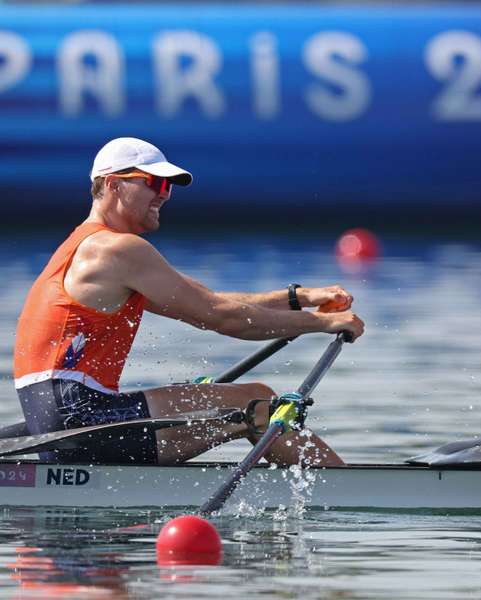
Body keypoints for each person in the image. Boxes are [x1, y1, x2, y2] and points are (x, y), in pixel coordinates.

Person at [13, 137, 365, 466]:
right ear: (112, 185)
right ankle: (352, 493)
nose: (164, 195)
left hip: (60, 417)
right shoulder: (116, 249)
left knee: (249, 401)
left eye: (167, 187)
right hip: (81, 417)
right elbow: (223, 318)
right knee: (256, 404)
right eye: (153, 183)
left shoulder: (87, 247)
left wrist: (298, 298)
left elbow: (210, 301)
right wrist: (322, 323)